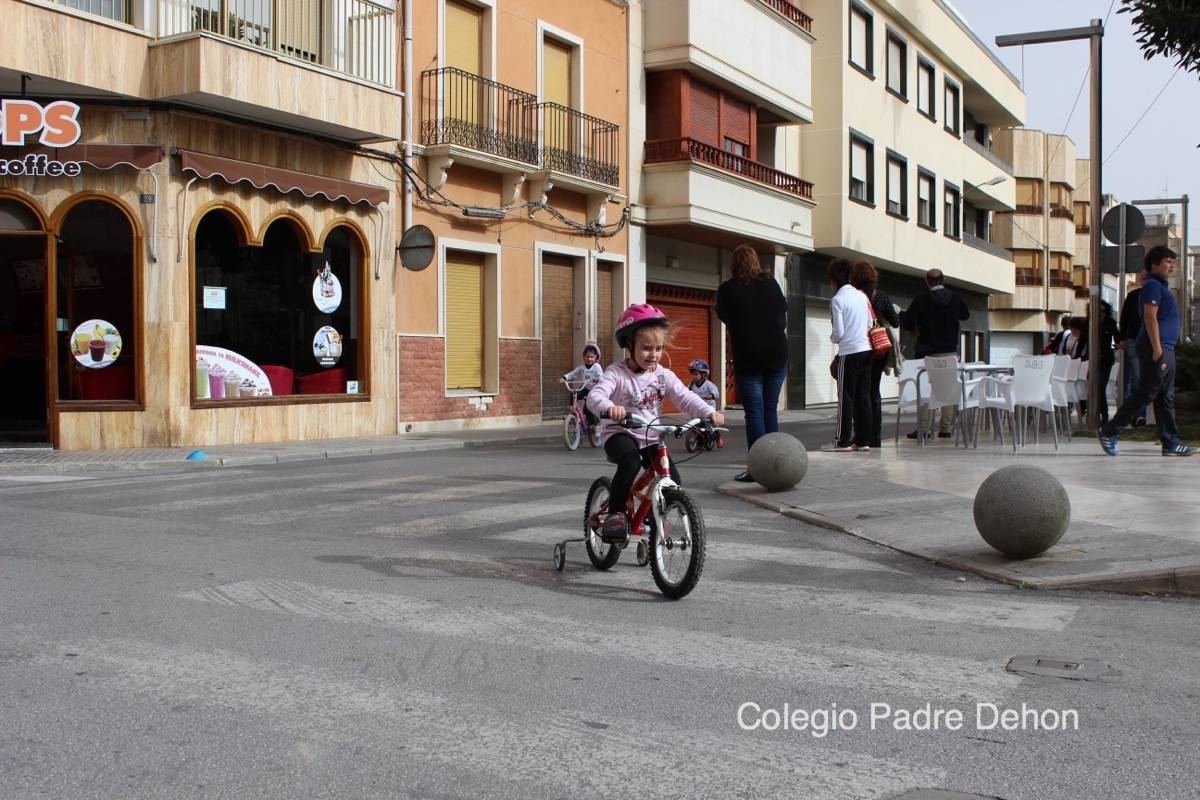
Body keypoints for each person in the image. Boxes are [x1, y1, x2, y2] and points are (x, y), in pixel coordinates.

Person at [587, 304, 725, 541]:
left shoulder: (663, 375)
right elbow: (595, 396)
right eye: (646, 348)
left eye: (658, 348)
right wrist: (609, 407)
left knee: (673, 481)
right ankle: (615, 514)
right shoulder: (616, 373)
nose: (653, 354)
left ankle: (652, 519)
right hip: (620, 433)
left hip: (651, 435)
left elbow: (684, 396)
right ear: (629, 345)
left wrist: (707, 412)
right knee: (630, 462)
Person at [1098, 246, 1194, 457]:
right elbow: (1150, 318)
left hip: (1165, 348)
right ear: (1154, 264)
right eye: (1167, 261)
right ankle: (1109, 431)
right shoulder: (1152, 286)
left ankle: (1170, 443)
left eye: (1173, 262)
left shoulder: (1157, 286)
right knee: (1146, 393)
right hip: (1156, 348)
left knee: (1164, 397)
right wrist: (1157, 348)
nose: (1171, 266)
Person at [716, 244, 788, 482]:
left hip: (748, 358)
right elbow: (783, 312)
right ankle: (774, 464)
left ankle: (757, 468)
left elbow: (724, 315)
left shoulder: (728, 289)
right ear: (756, 262)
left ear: (734, 265)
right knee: (770, 410)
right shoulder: (771, 284)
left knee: (755, 413)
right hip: (777, 354)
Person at [900, 268, 970, 439]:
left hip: (926, 353)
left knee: (923, 389)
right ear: (943, 280)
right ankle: (946, 428)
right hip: (949, 352)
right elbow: (965, 315)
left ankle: (924, 428)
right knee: (948, 388)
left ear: (927, 281)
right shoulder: (955, 298)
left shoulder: (921, 299)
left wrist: (916, 328)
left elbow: (907, 322)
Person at [851, 260, 902, 448]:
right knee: (874, 390)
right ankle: (876, 437)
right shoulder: (880, 296)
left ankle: (861, 435)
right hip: (879, 348)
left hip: (859, 347)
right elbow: (895, 322)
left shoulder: (853, 296)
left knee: (859, 392)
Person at [824, 258, 872, 452]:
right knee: (863, 397)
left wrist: (832, 338)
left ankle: (842, 441)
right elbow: (870, 323)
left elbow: (839, 333)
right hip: (866, 350)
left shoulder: (837, 300)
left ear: (834, 280)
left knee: (846, 398)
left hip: (848, 353)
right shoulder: (862, 296)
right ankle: (863, 440)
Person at [1117, 280, 1148, 426]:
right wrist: (1122, 338)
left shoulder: (1134, 295)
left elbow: (1124, 319)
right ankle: (1137, 415)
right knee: (1137, 379)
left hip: (1138, 340)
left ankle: (1133, 414)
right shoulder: (1134, 296)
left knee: (1136, 379)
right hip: (1136, 340)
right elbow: (1124, 318)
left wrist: (1122, 338)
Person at [559, 341, 603, 425]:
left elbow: (601, 375)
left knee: (588, 408)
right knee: (574, 393)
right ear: (584, 357)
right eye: (587, 356)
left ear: (595, 357)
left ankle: (594, 425)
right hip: (585, 387)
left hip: (594, 390)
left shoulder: (597, 367)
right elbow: (573, 373)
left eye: (592, 357)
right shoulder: (582, 368)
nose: (589, 359)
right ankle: (572, 410)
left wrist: (598, 379)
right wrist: (564, 378)